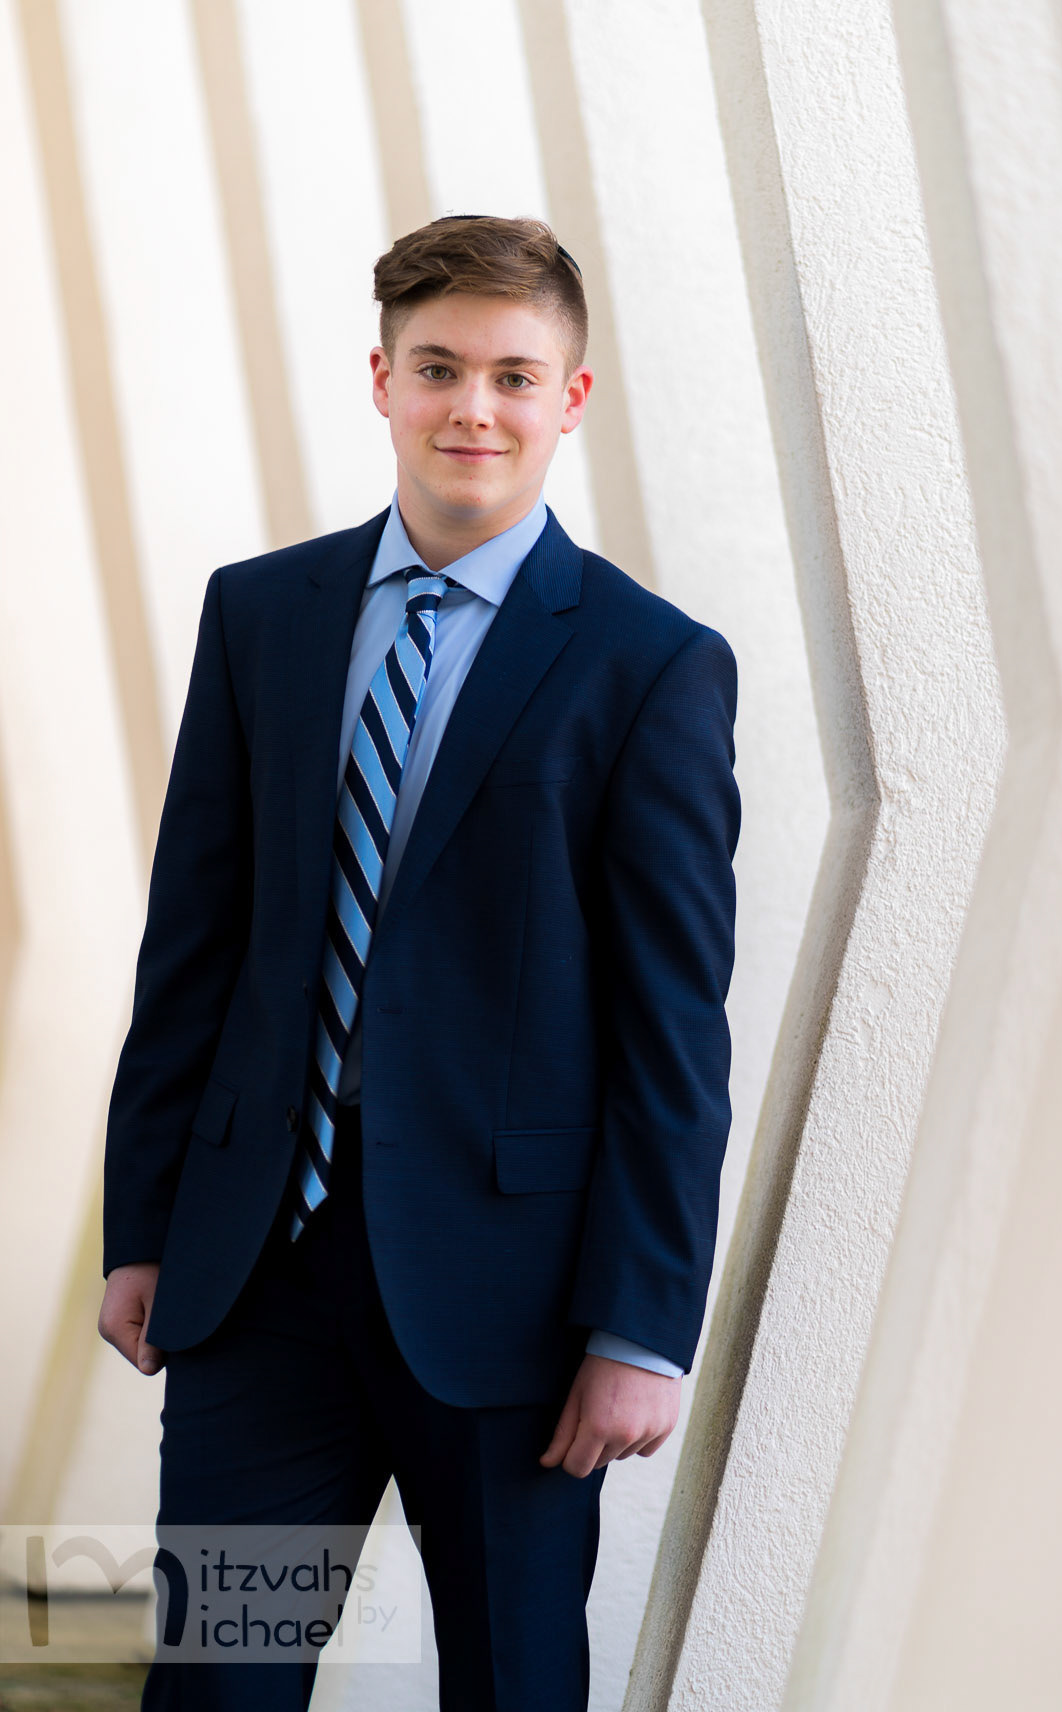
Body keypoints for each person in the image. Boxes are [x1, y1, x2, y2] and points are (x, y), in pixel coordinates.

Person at [97, 215, 740, 1711]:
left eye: (515, 377)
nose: (474, 408)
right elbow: (193, 948)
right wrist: (147, 1225)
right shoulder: (261, 616)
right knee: (218, 1682)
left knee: (510, 1687)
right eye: (440, 368)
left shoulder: (647, 665)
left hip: (511, 1317)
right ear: (383, 380)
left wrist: (642, 1326)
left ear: (570, 400)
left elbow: (671, 1029)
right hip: (259, 1286)